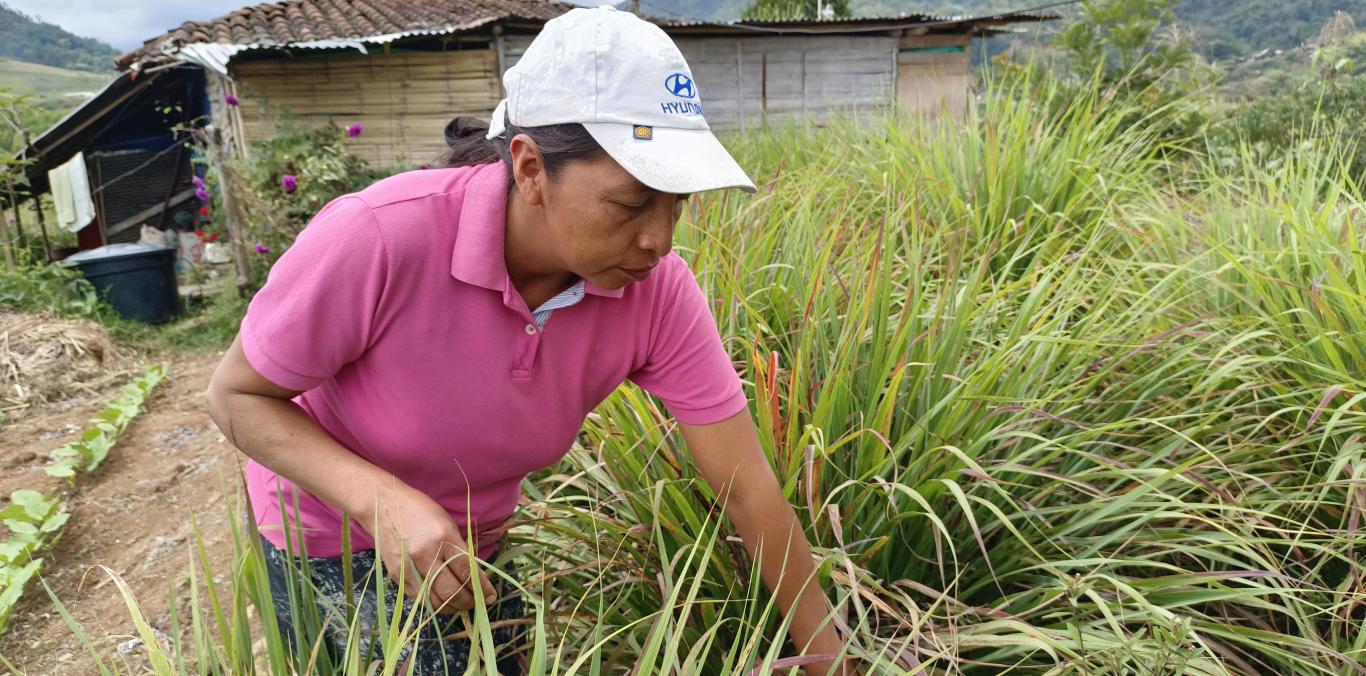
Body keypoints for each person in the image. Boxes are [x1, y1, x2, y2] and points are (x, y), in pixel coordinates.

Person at [206, 6, 853, 675]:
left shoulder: (655, 291)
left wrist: (830, 655)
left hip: (475, 536)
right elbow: (234, 397)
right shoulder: (381, 237)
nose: (659, 239)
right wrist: (383, 502)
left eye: (677, 204)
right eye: (633, 203)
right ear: (530, 167)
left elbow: (747, 487)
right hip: (332, 533)